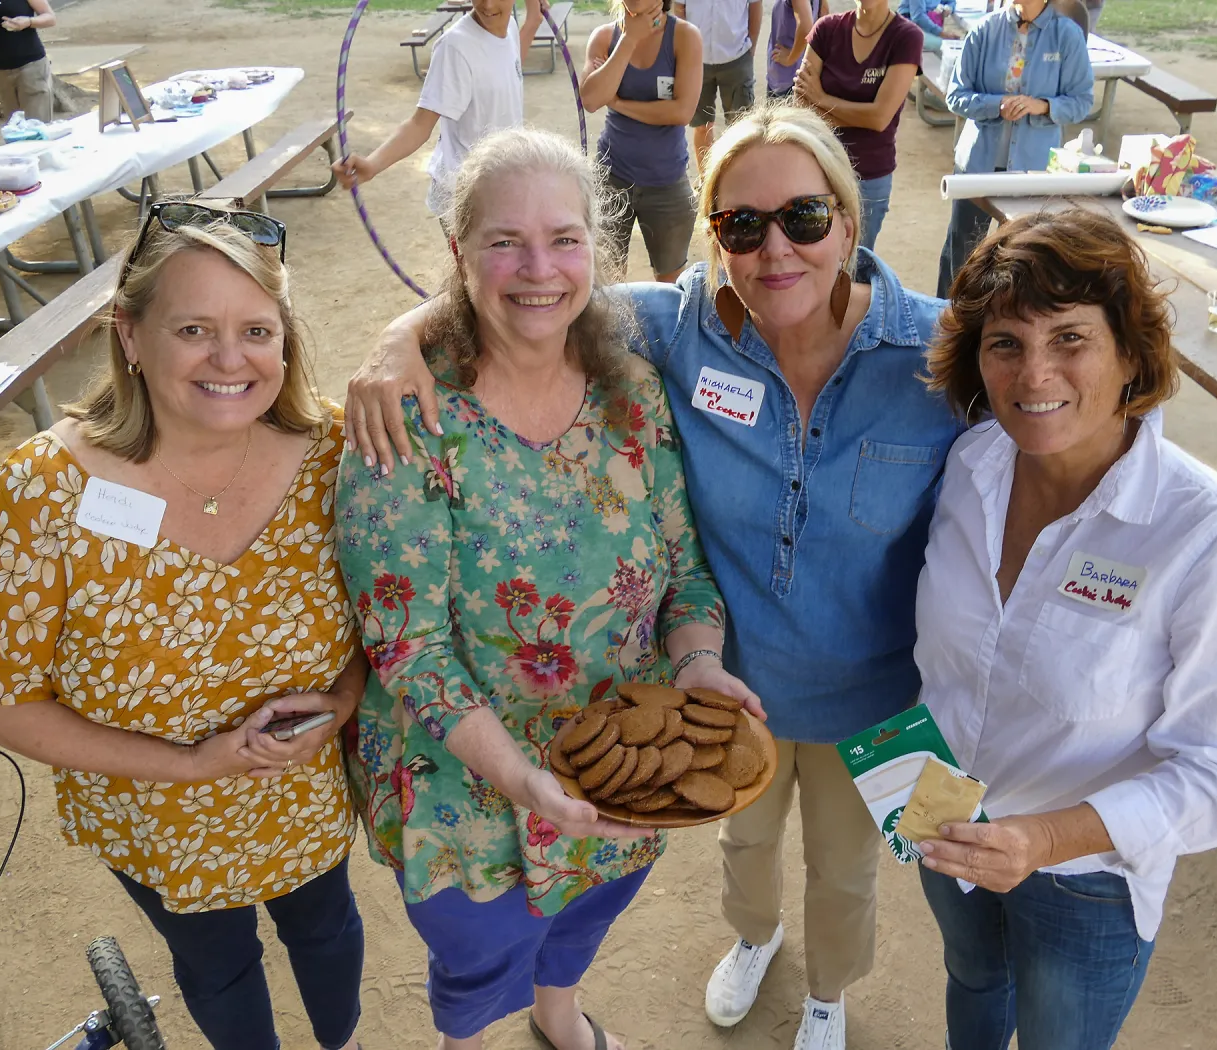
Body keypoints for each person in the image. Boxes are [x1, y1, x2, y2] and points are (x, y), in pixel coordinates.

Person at [343, 104, 965, 1050]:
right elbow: (524, 298)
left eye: (803, 217)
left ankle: (823, 993)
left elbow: (1060, 415)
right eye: (741, 224)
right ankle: (744, 944)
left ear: (850, 217)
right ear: (712, 238)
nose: (774, 249)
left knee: (849, 870)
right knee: (733, 850)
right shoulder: (672, 337)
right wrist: (403, 334)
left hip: (868, 697)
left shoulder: (937, 353)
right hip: (654, 719)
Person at [335, 128, 754, 1050]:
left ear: (598, 253)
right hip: (464, 787)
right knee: (479, 954)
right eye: (505, 242)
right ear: (458, 251)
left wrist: (699, 667)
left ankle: (557, 1009)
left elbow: (685, 572)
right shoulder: (407, 419)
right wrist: (520, 777)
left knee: (586, 914)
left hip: (618, 767)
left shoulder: (634, 394)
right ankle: (470, 1036)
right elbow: (405, 643)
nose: (539, 269)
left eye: (565, 240)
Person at [0, 203, 368, 1050]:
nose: (229, 358)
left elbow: (382, 621)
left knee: (326, 930)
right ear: (130, 335)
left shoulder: (335, 453)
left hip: (304, 796)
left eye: (257, 328)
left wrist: (344, 698)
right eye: (192, 327)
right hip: (153, 816)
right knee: (215, 964)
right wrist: (191, 763)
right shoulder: (45, 491)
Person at [917, 208, 1217, 1049]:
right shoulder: (968, 466)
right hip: (944, 817)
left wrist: (1043, 839)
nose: (1034, 373)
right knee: (974, 982)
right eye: (1007, 342)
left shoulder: (1215, 538)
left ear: (1132, 354)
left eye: (1070, 338)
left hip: (1085, 879)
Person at [331, 0, 545, 222]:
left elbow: (507, 63)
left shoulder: (508, 26)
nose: (488, 5)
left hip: (500, 184)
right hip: (466, 195)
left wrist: (532, 20)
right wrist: (373, 164)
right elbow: (419, 124)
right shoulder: (455, 47)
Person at [934, 0, 1092, 297]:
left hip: (1032, 169)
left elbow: (1081, 101)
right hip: (978, 165)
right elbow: (955, 95)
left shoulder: (1066, 35)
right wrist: (997, 105)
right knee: (962, 253)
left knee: (1022, 257)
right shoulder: (984, 30)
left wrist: (1043, 106)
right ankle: (945, 325)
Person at [581, 0, 703, 282]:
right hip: (611, 177)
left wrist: (618, 102)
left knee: (670, 285)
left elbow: (681, 112)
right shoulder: (604, 37)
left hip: (667, 182)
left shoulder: (684, 37)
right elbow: (590, 99)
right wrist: (629, 38)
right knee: (607, 284)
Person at [792, 0, 923, 253]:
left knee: (853, 263)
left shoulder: (906, 36)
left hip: (868, 176)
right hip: (819, 168)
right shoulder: (826, 29)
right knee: (810, 256)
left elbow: (880, 118)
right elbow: (801, 108)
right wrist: (861, 114)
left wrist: (822, 100)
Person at [674, 0, 762, 174]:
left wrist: (750, 48)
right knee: (701, 125)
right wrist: (686, 49)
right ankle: (706, 180)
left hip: (736, 57)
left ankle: (737, 179)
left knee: (741, 126)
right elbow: (679, 8)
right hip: (697, 60)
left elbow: (755, 6)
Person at [765, 0, 826, 99]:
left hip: (788, 81)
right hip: (800, 75)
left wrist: (790, 59)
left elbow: (806, 26)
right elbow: (823, 15)